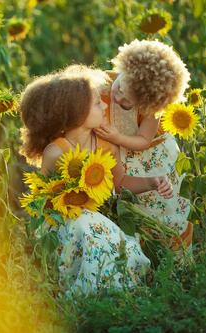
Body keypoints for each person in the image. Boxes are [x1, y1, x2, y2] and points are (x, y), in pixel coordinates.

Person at [18, 64, 174, 295]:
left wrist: (152, 182)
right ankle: (85, 293)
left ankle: (110, 291)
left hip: (99, 219)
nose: (104, 105)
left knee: (111, 241)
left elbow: (118, 184)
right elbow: (48, 203)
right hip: (66, 224)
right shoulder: (56, 152)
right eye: (96, 103)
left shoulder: (105, 141)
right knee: (87, 228)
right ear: (75, 114)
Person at [94, 39, 193, 254]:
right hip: (121, 151)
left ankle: (171, 261)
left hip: (150, 157)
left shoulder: (151, 105)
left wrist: (118, 137)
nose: (117, 96)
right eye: (120, 87)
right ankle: (139, 258)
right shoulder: (107, 80)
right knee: (130, 211)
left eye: (127, 101)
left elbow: (143, 141)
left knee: (157, 209)